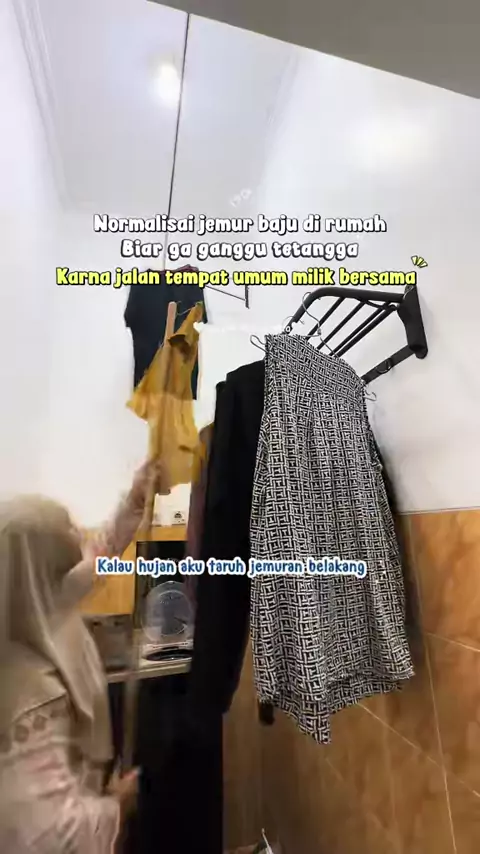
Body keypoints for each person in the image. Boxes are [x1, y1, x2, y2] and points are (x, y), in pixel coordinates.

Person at [0, 461, 163, 853]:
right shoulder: (34, 697)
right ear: (45, 568)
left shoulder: (29, 598)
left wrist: (135, 500)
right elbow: (54, 836)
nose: (79, 536)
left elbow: (98, 556)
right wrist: (116, 805)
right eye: (67, 538)